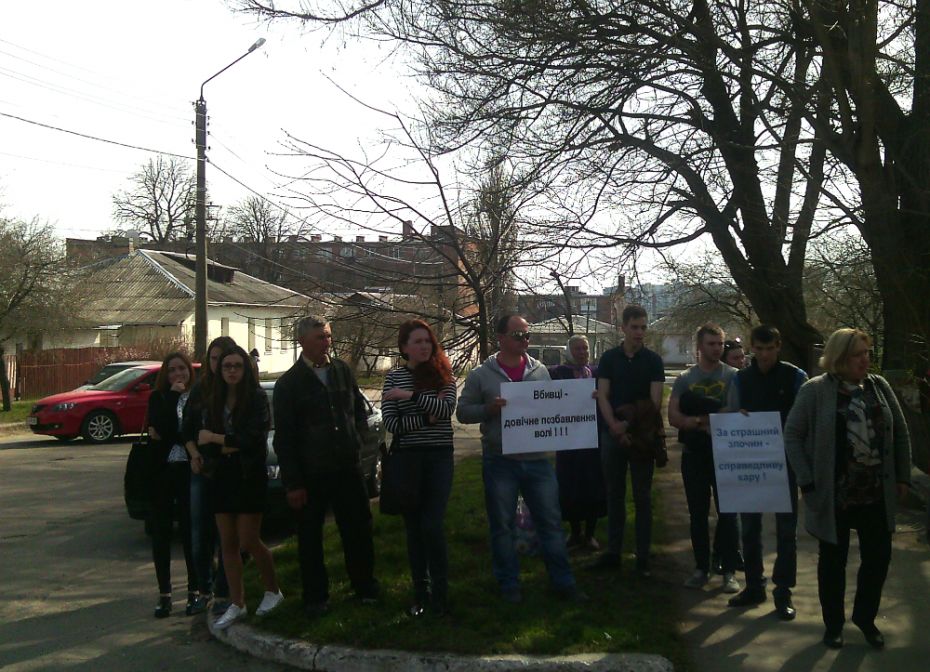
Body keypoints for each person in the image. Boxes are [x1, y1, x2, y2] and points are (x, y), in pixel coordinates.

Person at [785, 328, 911, 649]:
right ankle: (833, 625)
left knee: (878, 558)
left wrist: (902, 477)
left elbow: (900, 432)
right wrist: (807, 480)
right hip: (835, 494)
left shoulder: (878, 386)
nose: (865, 360)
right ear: (839, 358)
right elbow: (793, 435)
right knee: (832, 563)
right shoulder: (815, 390)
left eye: (867, 353)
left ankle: (865, 618)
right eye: (857, 354)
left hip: (875, 492)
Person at [457, 314, 584, 603]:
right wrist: (488, 409)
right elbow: (463, 412)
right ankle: (509, 584)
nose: (524, 340)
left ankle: (563, 582)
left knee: (551, 521)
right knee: (502, 525)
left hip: (537, 460)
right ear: (500, 338)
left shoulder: (539, 371)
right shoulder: (481, 375)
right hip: (500, 460)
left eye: (527, 335)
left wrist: (581, 403)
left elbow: (554, 407)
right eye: (518, 335)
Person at [273, 316, 379, 620]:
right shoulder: (289, 384)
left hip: (347, 467)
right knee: (309, 538)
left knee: (358, 529)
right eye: (320, 337)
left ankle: (365, 587)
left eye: (329, 336)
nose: (327, 342)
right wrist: (293, 483)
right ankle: (316, 597)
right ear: (302, 341)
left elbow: (357, 411)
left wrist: (359, 441)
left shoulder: (342, 371)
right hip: (311, 472)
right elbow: (285, 438)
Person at [194, 345, 282, 629]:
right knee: (227, 543)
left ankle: (273, 591)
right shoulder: (213, 400)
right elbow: (205, 443)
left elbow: (252, 440)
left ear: (246, 369)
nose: (231, 371)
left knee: (248, 540)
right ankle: (237, 602)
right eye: (226, 366)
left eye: (237, 366)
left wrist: (216, 438)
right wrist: (224, 443)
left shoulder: (256, 398)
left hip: (248, 476)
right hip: (222, 477)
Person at [725, 326, 807, 619]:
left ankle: (783, 592)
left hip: (785, 464)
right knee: (749, 528)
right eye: (758, 349)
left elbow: (805, 419)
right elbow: (729, 415)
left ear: (778, 346)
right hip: (751, 463)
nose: (764, 355)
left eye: (769, 348)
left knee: (786, 531)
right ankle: (753, 585)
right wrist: (736, 418)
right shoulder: (741, 379)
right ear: (751, 348)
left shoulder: (795, 377)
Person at [381, 319, 457, 617]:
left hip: (439, 458)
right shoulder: (394, 378)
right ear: (404, 347)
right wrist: (426, 418)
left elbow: (445, 410)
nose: (424, 346)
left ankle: (441, 592)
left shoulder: (444, 375)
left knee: (432, 525)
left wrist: (410, 397)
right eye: (417, 342)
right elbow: (392, 424)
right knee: (413, 529)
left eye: (428, 341)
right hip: (407, 460)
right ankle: (420, 592)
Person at [592, 305, 665, 576]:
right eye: (634, 327)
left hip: (642, 437)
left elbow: (655, 402)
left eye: (643, 327)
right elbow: (602, 395)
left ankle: (642, 557)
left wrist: (626, 426)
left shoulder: (653, 361)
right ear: (623, 328)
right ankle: (614, 552)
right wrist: (614, 426)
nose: (639, 332)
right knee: (614, 495)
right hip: (612, 435)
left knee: (642, 497)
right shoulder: (609, 358)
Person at [668, 323, 741, 593]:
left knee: (728, 513)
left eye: (720, 343)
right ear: (699, 346)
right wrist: (702, 420)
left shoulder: (734, 376)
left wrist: (699, 418)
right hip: (694, 454)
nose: (717, 348)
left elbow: (736, 412)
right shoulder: (685, 379)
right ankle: (701, 568)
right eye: (711, 344)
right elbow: (673, 416)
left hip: (726, 453)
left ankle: (728, 570)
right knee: (698, 514)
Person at [183, 335, 235, 616]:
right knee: (200, 534)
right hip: (202, 469)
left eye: (223, 359)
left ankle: (225, 590)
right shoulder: (200, 390)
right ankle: (204, 591)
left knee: (228, 536)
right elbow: (187, 430)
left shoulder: (239, 390)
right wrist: (193, 454)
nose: (218, 364)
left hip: (229, 470)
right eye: (214, 359)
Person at [147, 351, 201, 618]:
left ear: (190, 371)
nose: (178, 374)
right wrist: (171, 397)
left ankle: (194, 590)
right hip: (163, 473)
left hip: (190, 471)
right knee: (161, 533)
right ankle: (165, 594)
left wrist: (169, 433)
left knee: (191, 532)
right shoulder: (159, 397)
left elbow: (187, 433)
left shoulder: (197, 398)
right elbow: (159, 425)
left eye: (182, 369)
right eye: (172, 370)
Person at [550, 334, 607, 553]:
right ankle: (575, 532)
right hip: (567, 439)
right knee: (569, 484)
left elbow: (609, 396)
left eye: (585, 348)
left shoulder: (597, 373)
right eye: (577, 349)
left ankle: (590, 534)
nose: (582, 352)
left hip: (592, 438)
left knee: (592, 484)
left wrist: (601, 396)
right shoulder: (558, 373)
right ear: (568, 351)